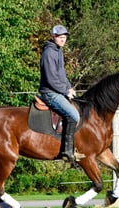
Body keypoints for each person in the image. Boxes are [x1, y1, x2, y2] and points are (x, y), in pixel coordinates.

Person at [39, 24, 79, 162]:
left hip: (59, 91)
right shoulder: (49, 53)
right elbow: (51, 79)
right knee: (73, 115)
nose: (63, 40)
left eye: (64, 37)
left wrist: (69, 87)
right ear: (53, 37)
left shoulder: (58, 51)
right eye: (60, 37)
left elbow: (61, 75)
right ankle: (67, 152)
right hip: (50, 93)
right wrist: (65, 91)